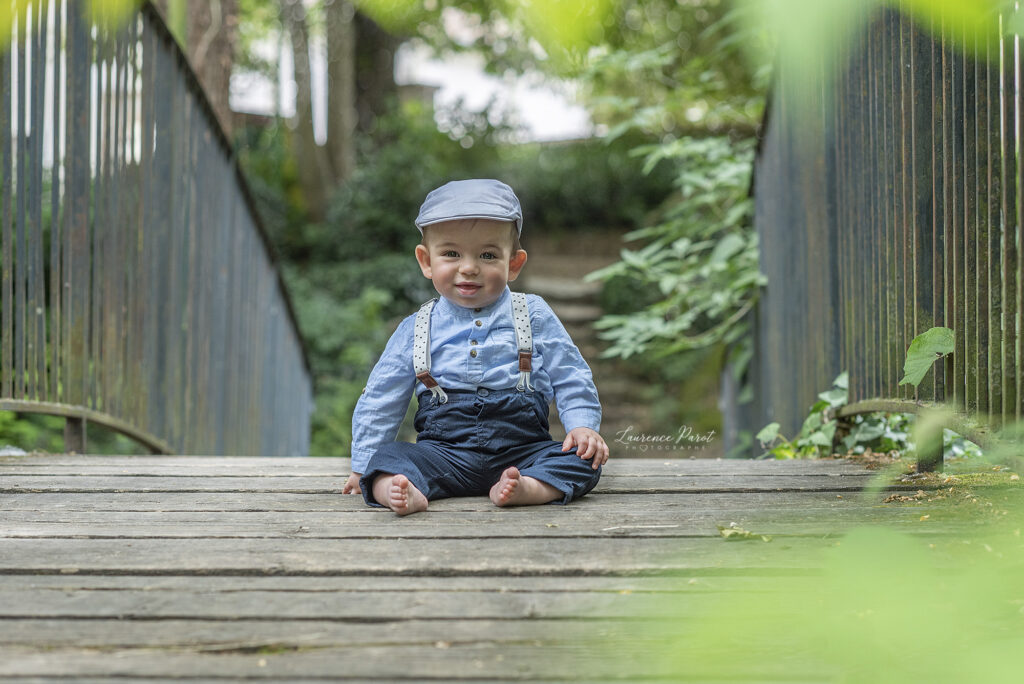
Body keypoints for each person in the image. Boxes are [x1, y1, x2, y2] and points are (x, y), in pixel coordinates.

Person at [342, 178, 609, 515]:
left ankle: (528, 487)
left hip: (523, 452)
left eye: (487, 255)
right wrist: (363, 466)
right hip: (443, 454)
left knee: (585, 460)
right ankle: (401, 490)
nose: (468, 268)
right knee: (386, 459)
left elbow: (570, 373)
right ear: (426, 261)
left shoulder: (533, 313)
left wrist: (582, 426)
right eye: (451, 254)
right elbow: (382, 395)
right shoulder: (417, 326)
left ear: (513, 264)